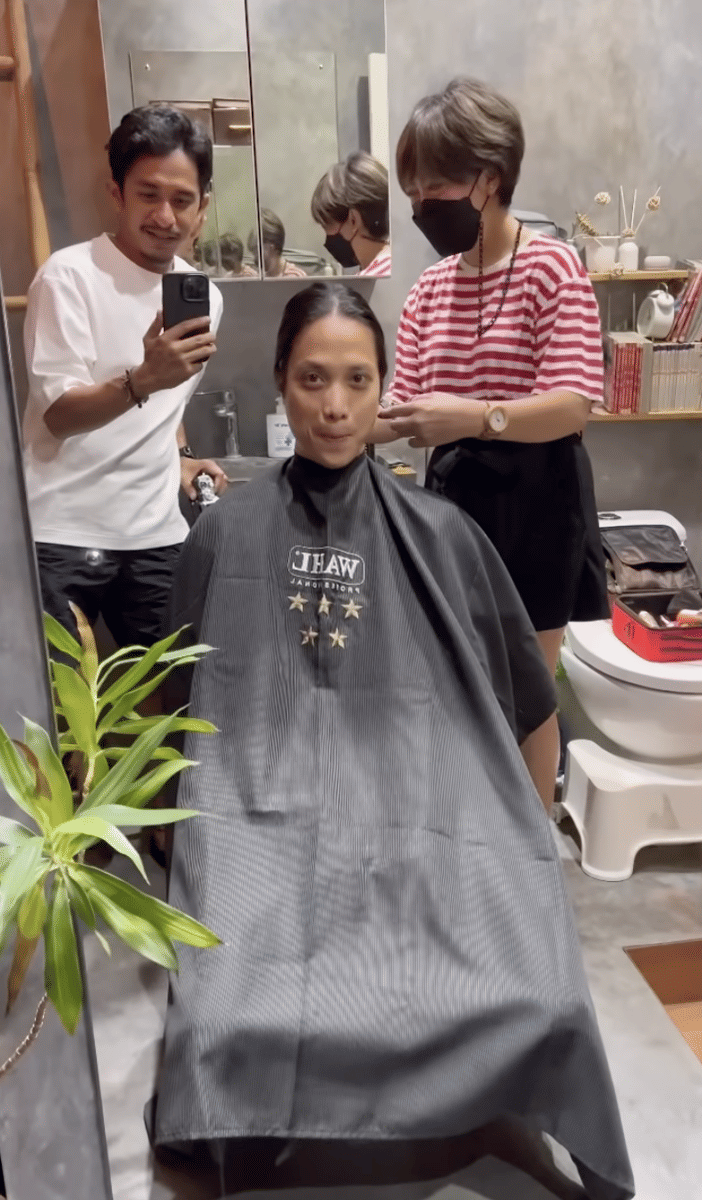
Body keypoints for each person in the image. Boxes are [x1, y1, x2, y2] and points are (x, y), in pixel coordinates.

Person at [151, 282, 634, 1200]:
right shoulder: (222, 535)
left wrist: (531, 842)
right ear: (281, 382)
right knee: (221, 1015)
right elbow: (175, 711)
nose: (335, 406)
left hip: (415, 825)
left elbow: (530, 704)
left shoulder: (444, 535)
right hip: (262, 831)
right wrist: (185, 848)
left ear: (384, 387)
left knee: (548, 996)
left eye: (357, 380)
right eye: (312, 379)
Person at [374, 77, 609, 810]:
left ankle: (531, 840)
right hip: (454, 501)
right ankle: (471, 829)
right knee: (458, 678)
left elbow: (572, 405)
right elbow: (401, 407)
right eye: (413, 191)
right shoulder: (430, 289)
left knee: (530, 688)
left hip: (540, 497)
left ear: (489, 177)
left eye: (434, 186)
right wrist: (338, 419)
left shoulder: (552, 268)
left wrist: (474, 418)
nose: (421, 206)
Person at [22, 104, 227, 647]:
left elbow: (167, 408)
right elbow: (60, 415)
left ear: (203, 207)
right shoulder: (68, 278)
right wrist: (142, 379)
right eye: (148, 195)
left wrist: (182, 458)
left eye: (182, 200)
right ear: (117, 193)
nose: (165, 216)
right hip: (62, 534)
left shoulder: (205, 298)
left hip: (157, 534)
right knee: (62, 698)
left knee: (180, 689)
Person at [311, 150, 391, 276]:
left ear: (354, 220)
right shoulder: (402, 265)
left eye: (326, 224)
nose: (326, 234)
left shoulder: (370, 280)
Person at [248, 208, 307, 278]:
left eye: (256, 250)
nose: (255, 258)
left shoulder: (296, 276)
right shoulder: (259, 277)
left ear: (271, 245)